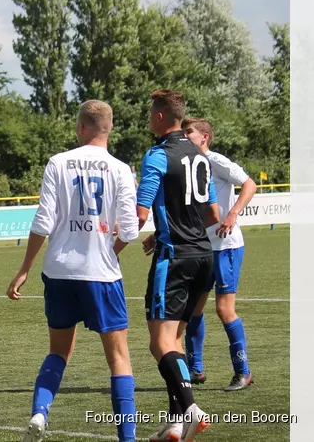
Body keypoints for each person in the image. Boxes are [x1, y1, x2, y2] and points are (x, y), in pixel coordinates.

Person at [7, 100, 140, 442]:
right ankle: (127, 438)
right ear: (109, 128)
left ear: (81, 128)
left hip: (60, 272)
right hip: (102, 275)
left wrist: (24, 268)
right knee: (119, 358)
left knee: (58, 351)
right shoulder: (121, 169)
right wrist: (106, 250)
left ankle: (39, 413)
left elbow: (42, 222)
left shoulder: (58, 163)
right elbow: (129, 231)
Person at [137, 90, 220, 442]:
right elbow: (213, 214)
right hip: (205, 256)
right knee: (174, 340)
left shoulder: (157, 155)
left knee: (159, 343)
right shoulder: (201, 157)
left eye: (149, 113)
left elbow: (140, 212)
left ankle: (191, 408)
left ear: (159, 117)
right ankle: (174, 424)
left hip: (175, 260)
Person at [182, 118, 256, 391]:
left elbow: (249, 184)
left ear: (205, 137)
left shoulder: (216, 161)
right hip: (202, 247)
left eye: (189, 131)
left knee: (224, 309)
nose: (184, 135)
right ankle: (196, 370)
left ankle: (243, 372)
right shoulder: (188, 165)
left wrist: (233, 214)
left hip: (226, 246)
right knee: (193, 310)